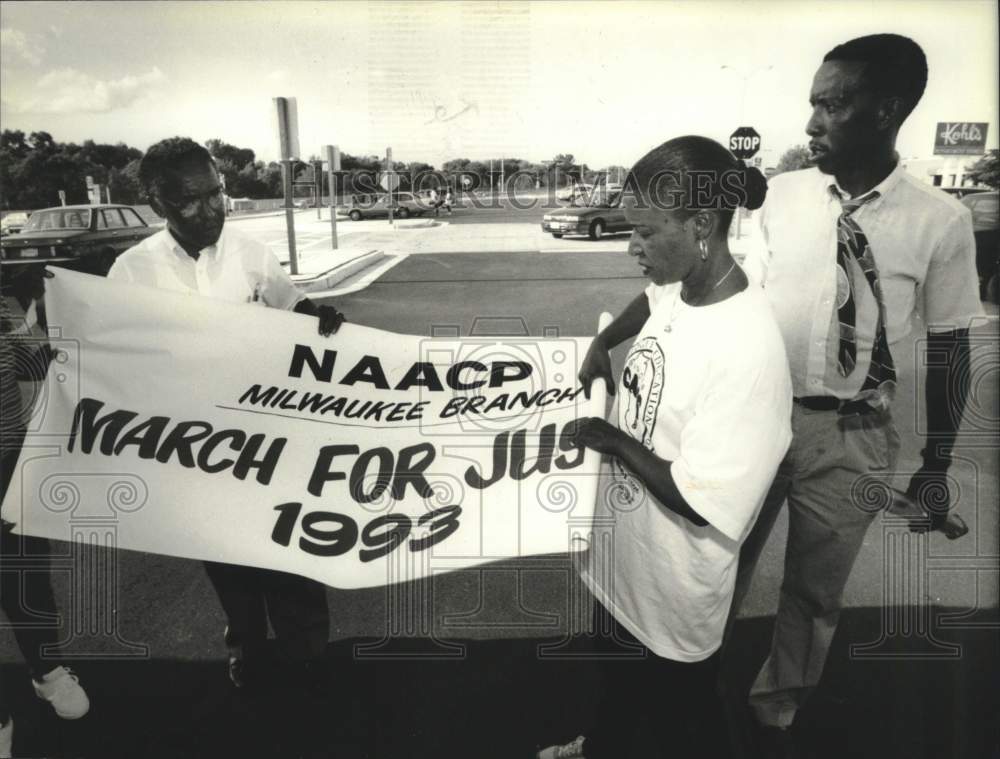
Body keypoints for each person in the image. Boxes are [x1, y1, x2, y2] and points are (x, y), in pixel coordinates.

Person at [733, 34, 984, 752]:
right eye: (813, 103)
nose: (812, 122)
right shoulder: (777, 199)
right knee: (713, 566)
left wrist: (935, 465)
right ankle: (685, 691)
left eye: (833, 105)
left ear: (886, 110)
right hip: (756, 418)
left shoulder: (941, 220)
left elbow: (951, 345)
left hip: (852, 435)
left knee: (814, 592)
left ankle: (773, 713)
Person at [537, 136, 793, 759]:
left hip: (675, 588)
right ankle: (602, 745)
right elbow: (647, 299)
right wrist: (606, 344)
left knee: (684, 715)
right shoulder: (682, 286)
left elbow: (702, 498)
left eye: (647, 233)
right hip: (624, 559)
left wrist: (611, 440)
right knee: (617, 685)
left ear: (702, 224)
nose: (632, 247)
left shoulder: (747, 348)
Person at [107, 136, 346, 688]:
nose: (213, 208)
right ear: (156, 203)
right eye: (193, 200)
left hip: (272, 443)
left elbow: (296, 310)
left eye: (217, 192)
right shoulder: (129, 273)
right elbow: (115, 365)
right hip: (198, 453)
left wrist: (322, 317)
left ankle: (307, 651)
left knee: (292, 549)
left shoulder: (251, 254)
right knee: (227, 560)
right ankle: (246, 645)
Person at [1, 264, 91, 758]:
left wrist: (43, 318)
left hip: (9, 468)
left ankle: (47, 672)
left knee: (28, 583)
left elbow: (27, 366)